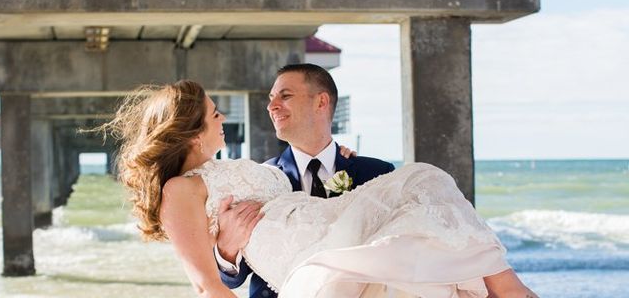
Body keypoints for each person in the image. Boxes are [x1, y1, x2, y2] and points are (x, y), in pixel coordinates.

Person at [104, 77, 538, 298]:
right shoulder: (181, 190)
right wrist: (227, 252)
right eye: (215, 114)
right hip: (307, 260)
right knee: (425, 179)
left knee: (426, 183)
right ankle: (510, 290)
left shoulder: (249, 167)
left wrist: (341, 164)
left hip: (337, 225)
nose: (223, 119)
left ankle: (502, 287)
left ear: (321, 102)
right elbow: (206, 282)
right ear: (194, 132)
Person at [215, 64, 396, 298]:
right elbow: (231, 279)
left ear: (321, 102)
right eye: (271, 98)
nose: (271, 106)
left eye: (285, 95)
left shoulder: (378, 174)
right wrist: (226, 250)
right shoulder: (258, 179)